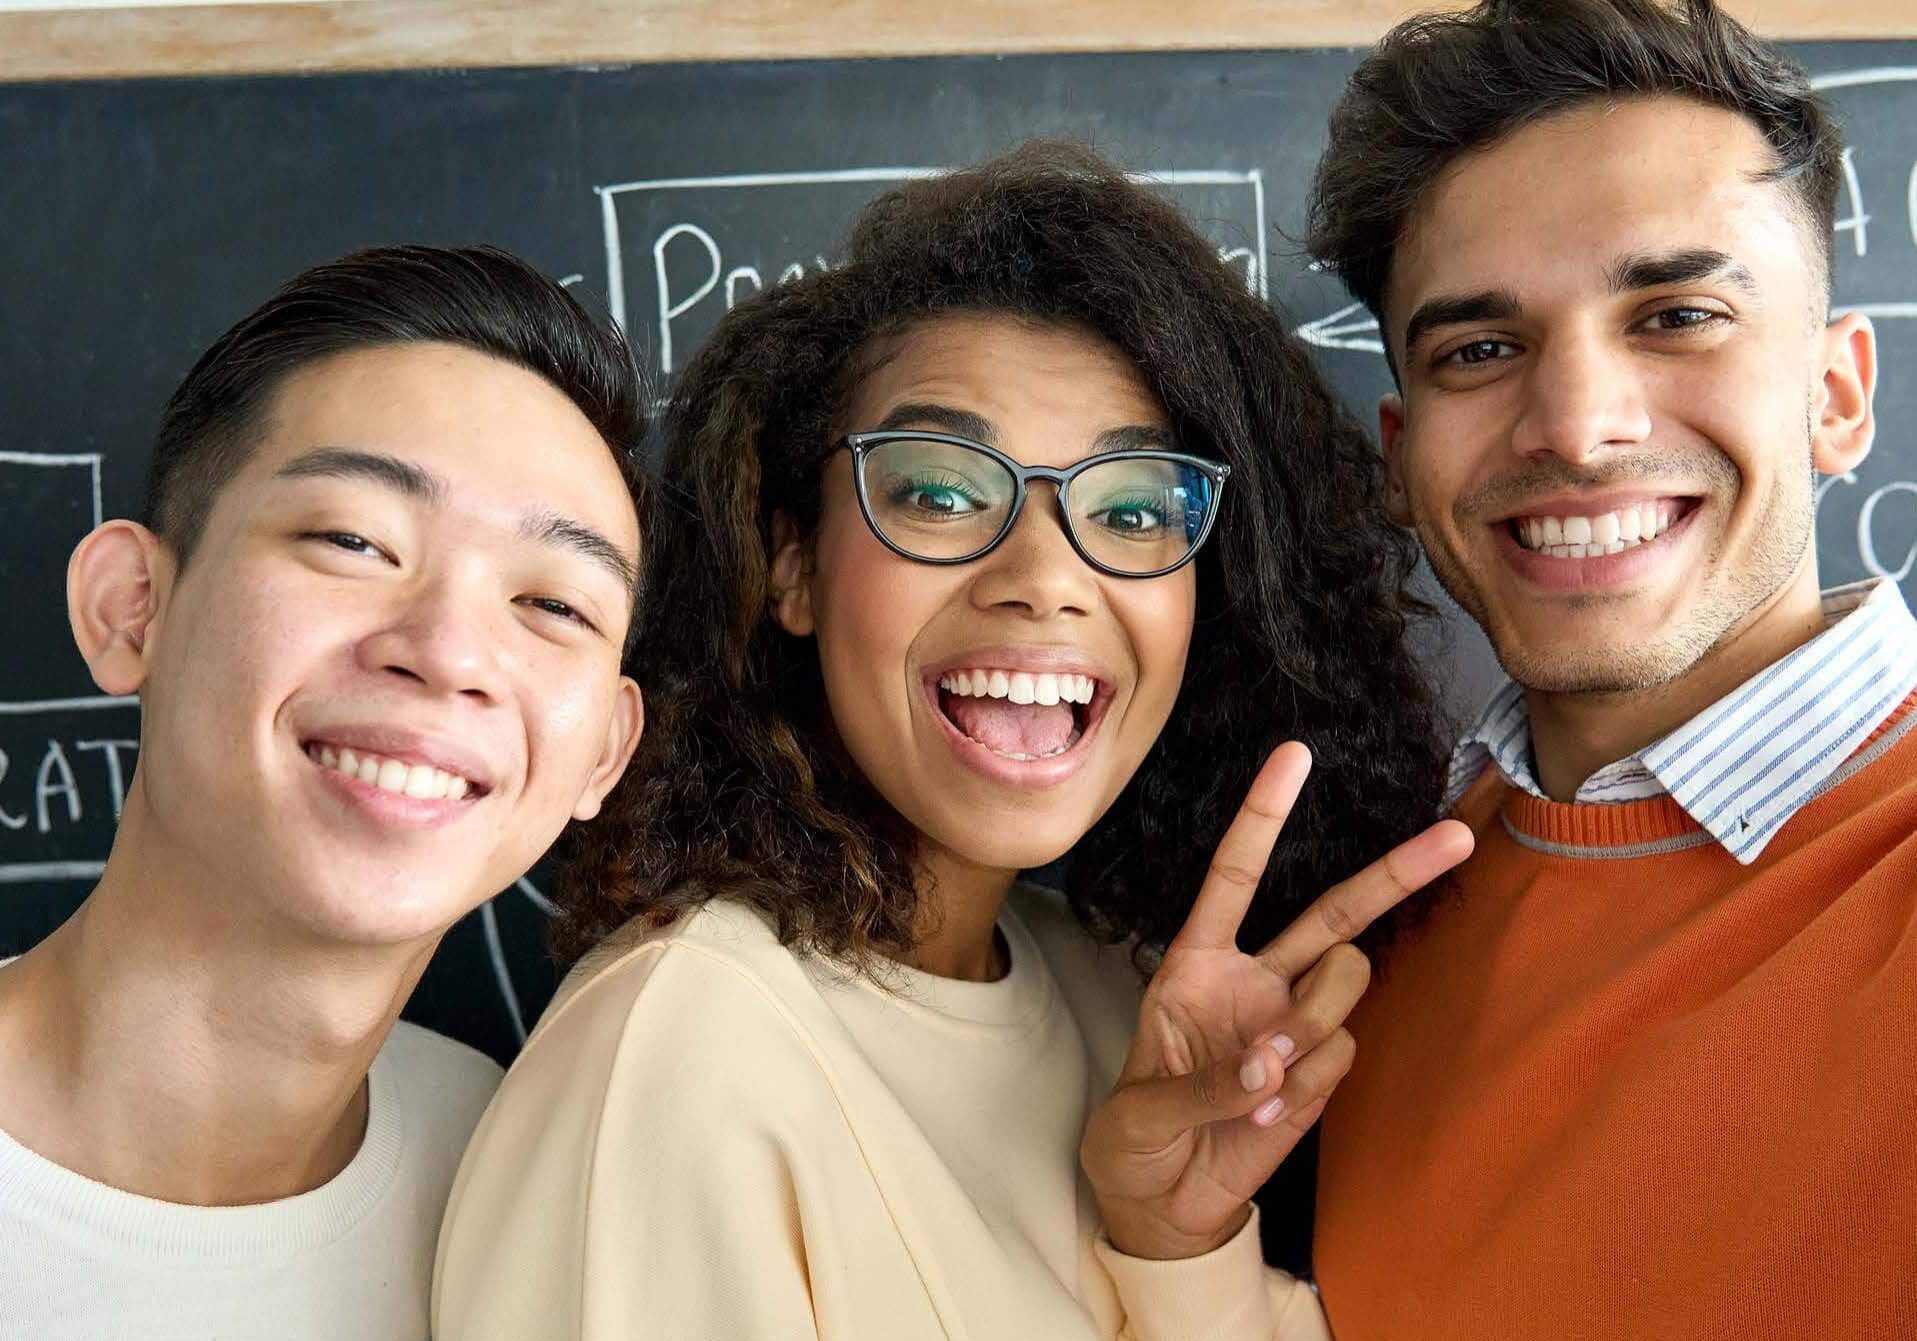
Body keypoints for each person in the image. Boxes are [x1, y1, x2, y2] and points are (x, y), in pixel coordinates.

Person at [433, 142, 1473, 1340]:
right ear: (791, 564)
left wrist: (1176, 1248)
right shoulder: (684, 1053)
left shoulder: (1124, 1009)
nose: (1047, 578)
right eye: (937, 492)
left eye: (1133, 508)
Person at [1301, 1, 1917, 1335]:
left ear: (1837, 395)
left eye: (1678, 313)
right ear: (1405, 458)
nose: (1577, 428)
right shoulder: (1371, 937)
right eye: (1480, 348)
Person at [0, 244, 648, 1339]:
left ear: (604, 756)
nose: (448, 653)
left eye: (554, 605)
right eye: (353, 540)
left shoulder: (511, 1176)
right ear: (131, 610)